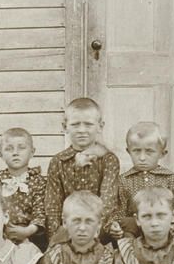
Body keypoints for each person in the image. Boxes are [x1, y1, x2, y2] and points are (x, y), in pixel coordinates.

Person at [44, 98, 119, 243]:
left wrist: (95, 233)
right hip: (67, 233)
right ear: (65, 126)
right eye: (75, 124)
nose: (82, 130)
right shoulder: (58, 162)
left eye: (88, 124)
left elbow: (108, 202)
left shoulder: (108, 160)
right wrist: (55, 238)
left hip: (98, 233)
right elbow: (52, 205)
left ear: (100, 126)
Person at [110, 122, 174, 240]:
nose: (142, 158)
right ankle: (130, 250)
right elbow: (120, 210)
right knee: (127, 223)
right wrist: (115, 224)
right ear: (128, 151)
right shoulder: (123, 180)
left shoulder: (170, 178)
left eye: (149, 151)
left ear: (162, 153)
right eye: (137, 151)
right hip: (134, 228)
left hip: (161, 227)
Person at [0, 127, 47, 250]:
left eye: (21, 148)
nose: (15, 153)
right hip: (0, 234)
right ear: (1, 154)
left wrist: (27, 231)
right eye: (9, 149)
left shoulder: (39, 182)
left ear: (32, 152)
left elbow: (40, 211)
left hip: (30, 235)